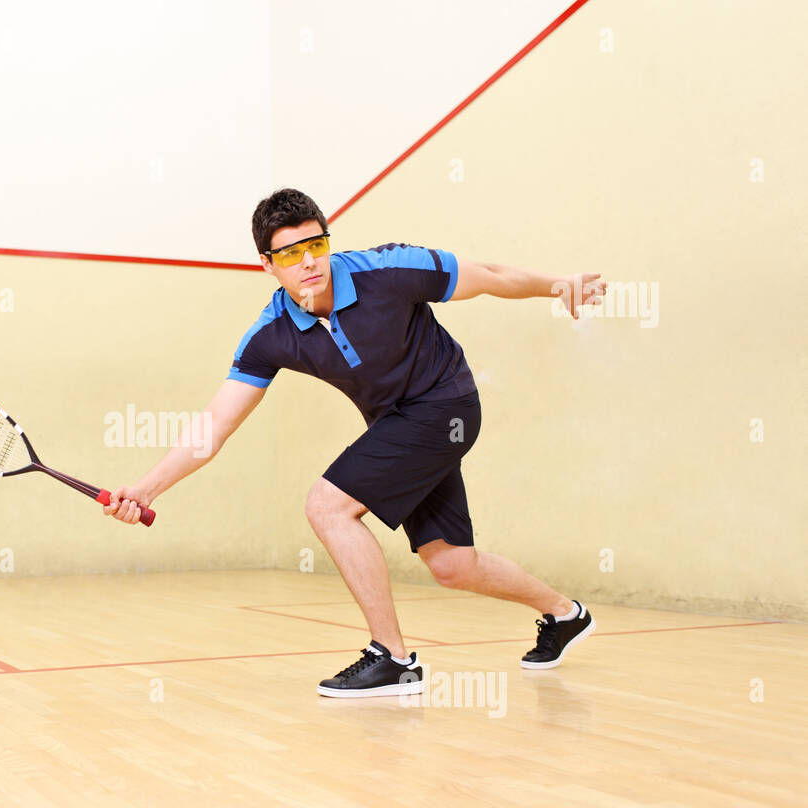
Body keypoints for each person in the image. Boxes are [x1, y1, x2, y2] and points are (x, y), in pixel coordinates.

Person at [104, 188, 604, 697]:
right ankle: (565, 614)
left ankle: (394, 659)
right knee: (453, 565)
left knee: (328, 505)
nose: (308, 262)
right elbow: (215, 425)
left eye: (315, 245)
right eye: (289, 254)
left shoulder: (390, 270)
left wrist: (559, 285)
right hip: (396, 425)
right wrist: (146, 490)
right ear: (267, 264)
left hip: (447, 405)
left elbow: (490, 275)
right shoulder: (271, 334)